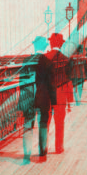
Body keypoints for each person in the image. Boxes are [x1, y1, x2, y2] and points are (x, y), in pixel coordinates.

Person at [21, 36, 52, 164]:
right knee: (43, 124)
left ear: (34, 46)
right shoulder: (48, 62)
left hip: (28, 97)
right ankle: (42, 151)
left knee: (28, 125)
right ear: (45, 47)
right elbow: (51, 84)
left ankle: (27, 154)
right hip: (43, 97)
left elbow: (21, 82)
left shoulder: (26, 60)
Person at [44, 33, 74, 156]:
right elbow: (69, 79)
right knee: (59, 121)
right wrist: (69, 100)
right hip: (61, 91)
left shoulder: (44, 57)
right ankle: (59, 147)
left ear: (51, 43)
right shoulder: (67, 58)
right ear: (61, 44)